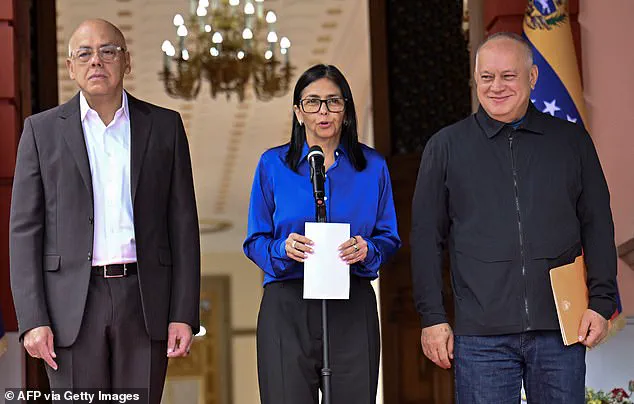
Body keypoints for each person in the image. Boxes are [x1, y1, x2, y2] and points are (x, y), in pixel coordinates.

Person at [411, 32, 618, 403]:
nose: (496, 87)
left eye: (508, 76)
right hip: (481, 337)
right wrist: (432, 316)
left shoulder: (571, 142)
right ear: (475, 79)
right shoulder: (445, 147)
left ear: (533, 77)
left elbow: (597, 224)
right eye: (486, 77)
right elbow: (426, 238)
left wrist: (601, 303)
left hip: (561, 328)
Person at [9, 19, 200, 402]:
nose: (96, 61)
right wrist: (32, 319)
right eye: (84, 54)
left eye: (108, 51)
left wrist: (184, 313)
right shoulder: (41, 132)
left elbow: (183, 225)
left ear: (127, 61)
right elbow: (24, 232)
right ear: (70, 67)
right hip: (69, 307)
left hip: (145, 300)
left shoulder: (164, 127)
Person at [243, 64, 400, 404]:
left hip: (352, 301)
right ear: (298, 112)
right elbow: (254, 241)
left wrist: (368, 249)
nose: (323, 111)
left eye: (333, 101)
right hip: (287, 303)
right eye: (312, 102)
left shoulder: (373, 166)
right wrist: (282, 248)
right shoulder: (272, 164)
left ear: (346, 110)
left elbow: (389, 237)